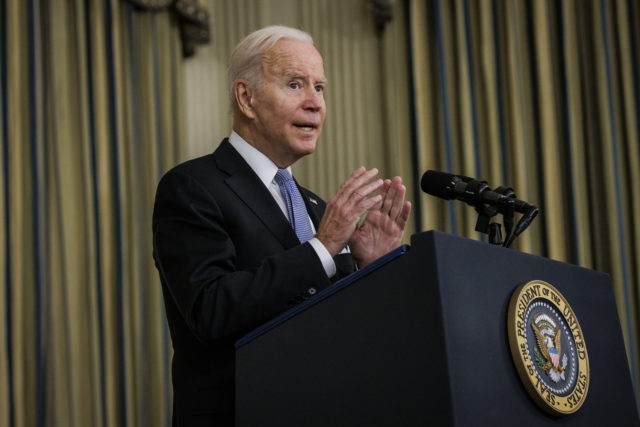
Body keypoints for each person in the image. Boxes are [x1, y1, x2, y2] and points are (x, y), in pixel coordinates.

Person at [152, 25, 412, 426]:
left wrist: (368, 269)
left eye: (320, 88)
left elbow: (342, 330)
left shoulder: (315, 207)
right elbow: (211, 310)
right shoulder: (193, 187)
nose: (315, 104)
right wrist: (322, 248)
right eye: (295, 85)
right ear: (247, 98)